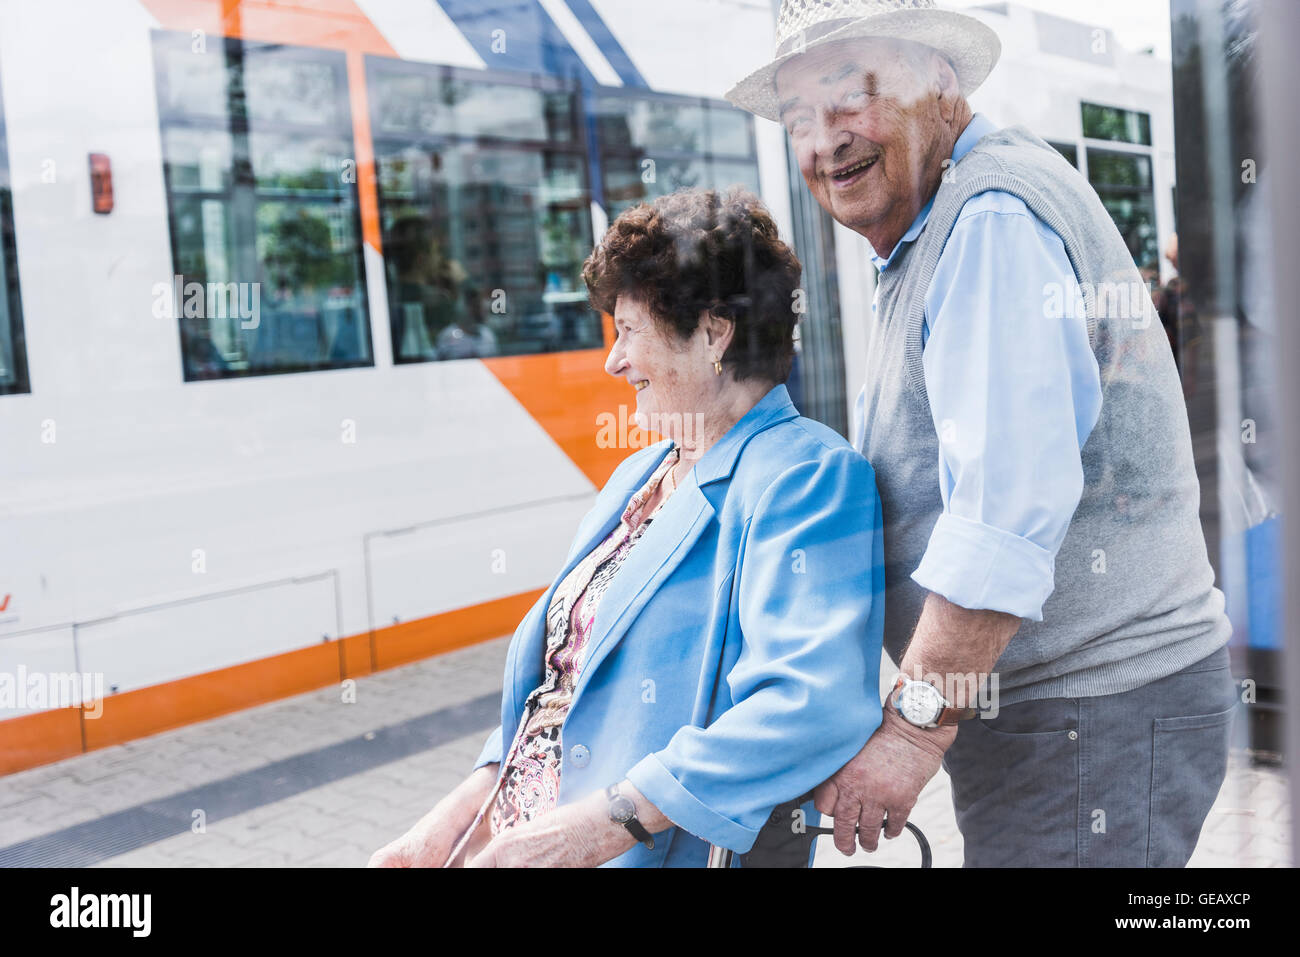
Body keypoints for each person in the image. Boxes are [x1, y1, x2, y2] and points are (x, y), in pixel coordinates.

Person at [725, 0, 1235, 866]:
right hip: (1065, 718)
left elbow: (1002, 509)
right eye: (802, 119)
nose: (825, 141)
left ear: (941, 81)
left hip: (1091, 715)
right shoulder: (936, 225)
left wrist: (913, 731)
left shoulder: (990, 215)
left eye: (850, 99)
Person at [369, 187, 885, 867]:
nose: (613, 362)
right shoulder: (638, 475)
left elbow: (808, 703)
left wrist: (607, 824)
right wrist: (455, 819)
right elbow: (559, 684)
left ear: (712, 333)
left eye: (629, 331)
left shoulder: (808, 477)